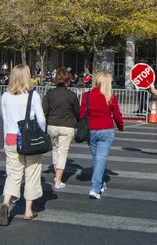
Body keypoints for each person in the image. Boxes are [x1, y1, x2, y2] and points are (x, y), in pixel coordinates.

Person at [0, 64, 46, 225]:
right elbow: (41, 119)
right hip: (28, 139)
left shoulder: (5, 96)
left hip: (11, 137)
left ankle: (6, 202)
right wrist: (42, 133)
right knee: (32, 173)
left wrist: (6, 137)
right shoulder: (33, 96)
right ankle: (28, 210)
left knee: (13, 173)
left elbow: (5, 120)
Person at [80, 71, 124, 199]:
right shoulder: (110, 97)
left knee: (96, 158)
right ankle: (95, 187)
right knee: (100, 158)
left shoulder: (86, 95)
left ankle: (101, 182)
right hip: (106, 130)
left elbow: (82, 114)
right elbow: (117, 114)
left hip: (91, 130)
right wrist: (120, 126)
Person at [43, 67, 80, 189]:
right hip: (66, 125)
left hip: (52, 125)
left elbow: (44, 110)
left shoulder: (50, 94)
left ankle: (56, 175)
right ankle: (58, 180)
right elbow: (77, 113)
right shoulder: (72, 95)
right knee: (62, 152)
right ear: (67, 80)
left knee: (55, 150)